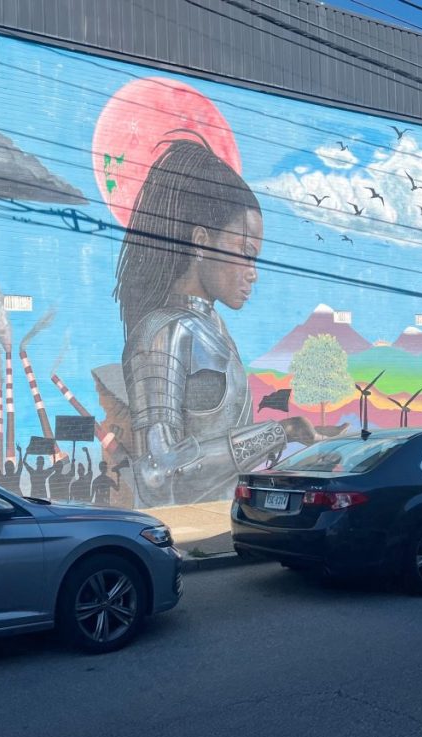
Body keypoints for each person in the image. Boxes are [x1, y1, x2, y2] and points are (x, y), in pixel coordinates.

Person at [114, 137, 317, 506]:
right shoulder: (163, 334)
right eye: (246, 253)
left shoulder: (215, 331)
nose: (253, 273)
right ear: (202, 241)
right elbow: (157, 470)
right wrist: (279, 432)